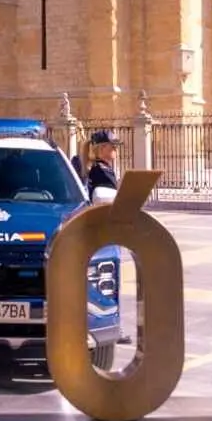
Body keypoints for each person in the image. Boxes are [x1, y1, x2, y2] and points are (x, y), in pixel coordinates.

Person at [85, 130, 132, 346]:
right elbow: (104, 198)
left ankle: (112, 324)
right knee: (107, 283)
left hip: (107, 233)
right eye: (112, 146)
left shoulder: (103, 169)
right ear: (102, 148)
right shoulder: (100, 172)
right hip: (104, 234)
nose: (115, 150)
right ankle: (108, 325)